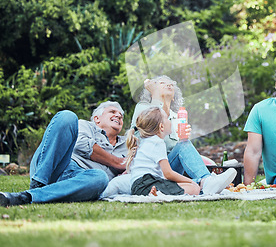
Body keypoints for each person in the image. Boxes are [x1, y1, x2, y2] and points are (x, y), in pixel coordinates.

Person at [104, 75, 235, 196]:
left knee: (184, 145)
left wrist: (183, 140)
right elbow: (149, 131)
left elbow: (178, 154)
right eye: (162, 83)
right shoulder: (144, 108)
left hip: (166, 169)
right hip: (151, 172)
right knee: (188, 171)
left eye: (171, 83)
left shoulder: (176, 117)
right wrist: (155, 95)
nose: (169, 85)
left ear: (174, 96)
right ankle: (205, 182)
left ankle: (205, 182)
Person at [1, 102, 127, 207]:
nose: (118, 116)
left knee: (101, 178)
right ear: (97, 119)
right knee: (67, 116)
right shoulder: (85, 126)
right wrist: (118, 162)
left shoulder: (127, 144)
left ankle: (27, 196)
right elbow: (81, 144)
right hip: (57, 167)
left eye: (121, 116)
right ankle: (38, 184)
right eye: (112, 112)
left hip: (81, 180)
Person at [126, 106, 200, 196]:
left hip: (137, 187)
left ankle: (156, 193)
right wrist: (191, 182)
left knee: (189, 185)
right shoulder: (157, 142)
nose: (170, 121)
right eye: (168, 119)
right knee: (194, 188)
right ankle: (157, 194)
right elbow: (168, 173)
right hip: (148, 183)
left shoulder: (144, 142)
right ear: (161, 126)